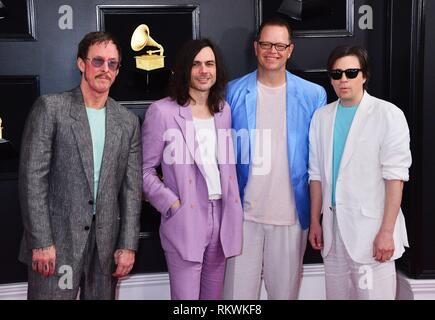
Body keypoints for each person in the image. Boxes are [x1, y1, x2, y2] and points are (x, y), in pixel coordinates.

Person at [18, 31, 143, 300]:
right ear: (81, 63)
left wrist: (128, 245)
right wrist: (40, 241)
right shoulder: (51, 109)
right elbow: (32, 180)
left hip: (106, 247)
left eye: (113, 64)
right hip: (55, 244)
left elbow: (132, 190)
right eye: (98, 61)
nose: (105, 69)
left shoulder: (127, 122)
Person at [223, 17, 327, 300]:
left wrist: (316, 216)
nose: (273, 51)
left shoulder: (313, 95)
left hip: (291, 217)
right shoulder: (232, 92)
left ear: (290, 49)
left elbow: (318, 161)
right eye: (267, 44)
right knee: (236, 299)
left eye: (280, 45)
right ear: (256, 47)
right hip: (243, 216)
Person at [142, 39, 243, 300]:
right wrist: (172, 203)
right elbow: (143, 171)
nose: (203, 70)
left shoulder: (223, 111)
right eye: (196, 64)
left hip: (222, 217)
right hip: (185, 217)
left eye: (209, 64)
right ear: (185, 70)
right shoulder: (161, 112)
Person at [308, 45, 412, 299]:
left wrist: (386, 232)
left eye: (351, 72)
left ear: (364, 76)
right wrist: (315, 221)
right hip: (333, 232)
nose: (343, 79)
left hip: (372, 233)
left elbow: (395, 178)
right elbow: (316, 175)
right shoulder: (321, 117)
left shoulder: (388, 115)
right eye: (337, 74)